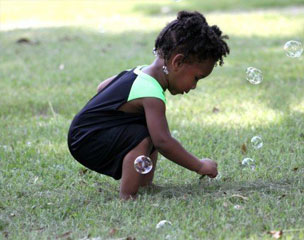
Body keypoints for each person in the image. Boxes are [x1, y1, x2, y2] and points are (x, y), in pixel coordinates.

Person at [67, 10, 230, 200]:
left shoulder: (139, 72)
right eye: (196, 78)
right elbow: (163, 142)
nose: (194, 86)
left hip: (82, 133)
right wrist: (200, 165)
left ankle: (145, 184)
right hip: (87, 141)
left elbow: (102, 87)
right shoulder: (152, 95)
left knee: (145, 129)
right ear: (177, 62)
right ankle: (128, 195)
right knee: (143, 137)